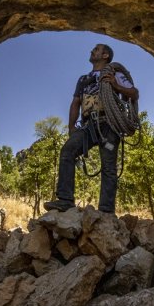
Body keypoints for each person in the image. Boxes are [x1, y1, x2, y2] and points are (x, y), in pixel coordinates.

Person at [44, 43, 138, 214]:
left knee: (108, 166)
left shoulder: (115, 73)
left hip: (109, 125)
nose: (92, 51)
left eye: (96, 49)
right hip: (88, 126)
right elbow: (75, 103)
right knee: (67, 151)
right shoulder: (82, 79)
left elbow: (133, 93)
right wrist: (71, 127)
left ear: (105, 56)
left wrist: (116, 86)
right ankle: (65, 200)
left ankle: (106, 211)